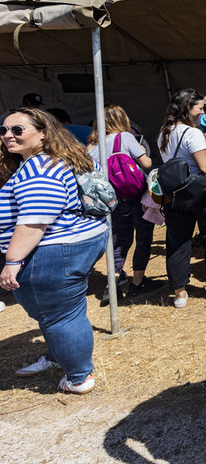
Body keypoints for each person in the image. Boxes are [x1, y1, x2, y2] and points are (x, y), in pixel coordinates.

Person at [0, 108, 109, 394]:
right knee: (63, 310)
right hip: (76, 242)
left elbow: (35, 221)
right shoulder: (65, 158)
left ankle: (78, 377)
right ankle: (56, 356)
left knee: (60, 315)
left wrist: (12, 261)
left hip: (53, 250)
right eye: (4, 130)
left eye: (17, 130)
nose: (7, 135)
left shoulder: (39, 169)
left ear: (43, 132)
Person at [157, 88, 206, 309]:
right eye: (200, 107)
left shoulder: (164, 132)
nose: (203, 111)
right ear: (188, 109)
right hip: (200, 192)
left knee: (177, 241)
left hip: (173, 194)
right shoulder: (192, 134)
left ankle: (180, 293)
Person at [88, 104, 156, 301]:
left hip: (114, 200)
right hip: (137, 195)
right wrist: (142, 151)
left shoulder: (92, 147)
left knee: (122, 240)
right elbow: (147, 163)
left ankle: (113, 284)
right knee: (143, 237)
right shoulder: (124, 137)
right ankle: (138, 282)